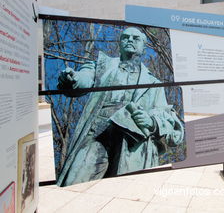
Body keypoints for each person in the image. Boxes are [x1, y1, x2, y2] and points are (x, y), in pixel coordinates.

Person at [56, 27, 184, 186]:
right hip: (98, 131)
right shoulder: (102, 65)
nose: (130, 40)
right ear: (120, 43)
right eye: (125, 37)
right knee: (76, 181)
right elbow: (84, 78)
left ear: (144, 47)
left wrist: (151, 122)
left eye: (135, 38)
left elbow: (166, 119)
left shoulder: (154, 84)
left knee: (124, 190)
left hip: (132, 138)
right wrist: (73, 78)